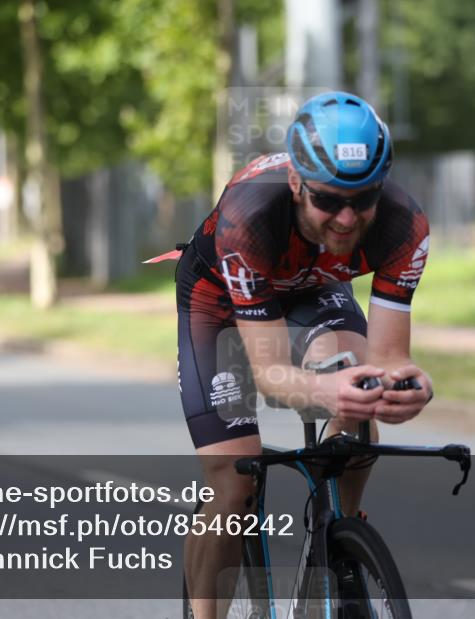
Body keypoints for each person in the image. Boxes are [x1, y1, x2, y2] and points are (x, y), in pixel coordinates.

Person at [175, 91, 433, 618]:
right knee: (235, 486)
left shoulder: (405, 227)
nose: (346, 217)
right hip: (220, 299)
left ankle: (340, 540)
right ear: (296, 184)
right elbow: (270, 374)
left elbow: (387, 358)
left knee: (359, 401)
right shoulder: (251, 216)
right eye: (328, 200)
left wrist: (408, 385)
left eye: (363, 199)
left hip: (313, 286)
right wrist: (319, 386)